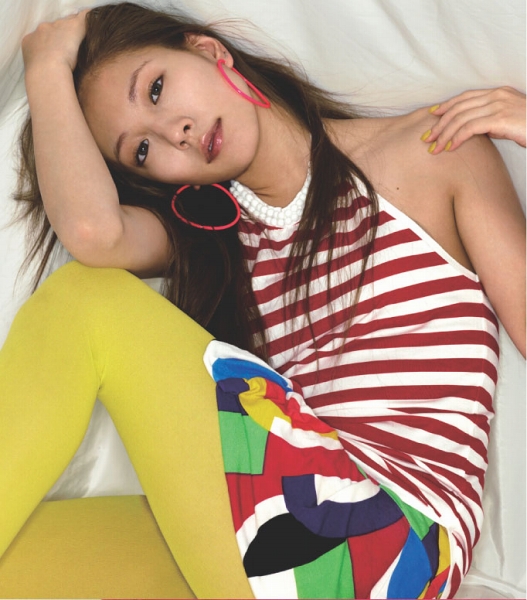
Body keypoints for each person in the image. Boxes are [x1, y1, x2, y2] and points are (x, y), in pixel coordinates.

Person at [0, 3, 525, 598]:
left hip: (396, 549)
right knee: (15, 563)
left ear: (208, 51)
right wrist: (46, 70)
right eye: (142, 150)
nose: (174, 132)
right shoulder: (217, 241)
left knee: (90, 298)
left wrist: (47, 61)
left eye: (157, 88)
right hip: (288, 528)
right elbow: (94, 230)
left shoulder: (435, 149)